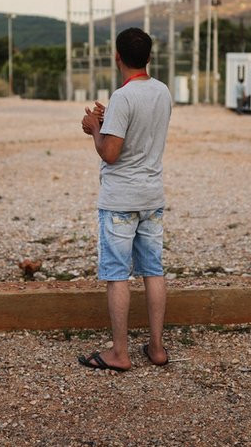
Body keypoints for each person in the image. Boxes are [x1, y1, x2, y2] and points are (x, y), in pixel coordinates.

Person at [78, 27, 172, 372]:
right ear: (148, 57)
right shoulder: (162, 92)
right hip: (152, 196)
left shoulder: (123, 97)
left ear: (116, 56)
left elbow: (111, 153)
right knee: (153, 270)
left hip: (121, 199)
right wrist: (111, 119)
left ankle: (120, 353)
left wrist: (94, 127)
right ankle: (158, 348)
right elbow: (143, 130)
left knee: (118, 274)